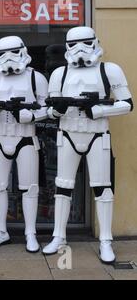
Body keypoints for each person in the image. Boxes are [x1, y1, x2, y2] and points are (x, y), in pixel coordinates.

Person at [42, 26, 133, 263]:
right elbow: (49, 109)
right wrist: (56, 110)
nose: (80, 50)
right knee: (62, 187)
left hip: (97, 135)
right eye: (74, 45)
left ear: (95, 43)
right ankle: (58, 236)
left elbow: (127, 104)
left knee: (102, 187)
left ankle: (105, 240)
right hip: (68, 134)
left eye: (85, 43)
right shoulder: (59, 74)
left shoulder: (109, 70)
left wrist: (99, 110)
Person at [0, 36, 48, 253]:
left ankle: (30, 232)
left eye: (13, 52)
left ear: (22, 51)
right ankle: (0, 230)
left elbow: (47, 108)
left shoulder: (35, 78)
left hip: (26, 137)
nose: (8, 58)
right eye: (3, 53)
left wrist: (30, 115)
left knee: (30, 188)